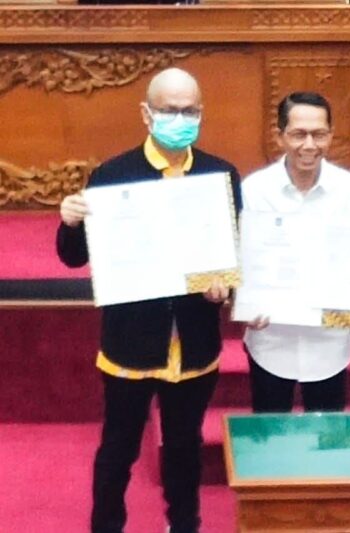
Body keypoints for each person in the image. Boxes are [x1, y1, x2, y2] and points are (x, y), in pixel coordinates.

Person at [57, 67, 241, 533]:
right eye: (169, 110)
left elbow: (235, 253)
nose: (181, 118)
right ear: (146, 113)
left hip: (194, 343)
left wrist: (226, 285)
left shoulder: (220, 175)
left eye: (190, 110)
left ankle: (184, 525)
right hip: (130, 344)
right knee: (118, 448)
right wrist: (71, 221)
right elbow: (73, 257)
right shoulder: (113, 175)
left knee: (183, 450)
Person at [242, 91, 350, 413]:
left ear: (331, 135)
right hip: (270, 341)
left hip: (331, 344)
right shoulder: (254, 190)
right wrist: (242, 299)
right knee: (270, 440)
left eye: (319, 134)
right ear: (279, 136)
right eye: (298, 134)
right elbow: (239, 261)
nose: (309, 145)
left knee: (326, 447)